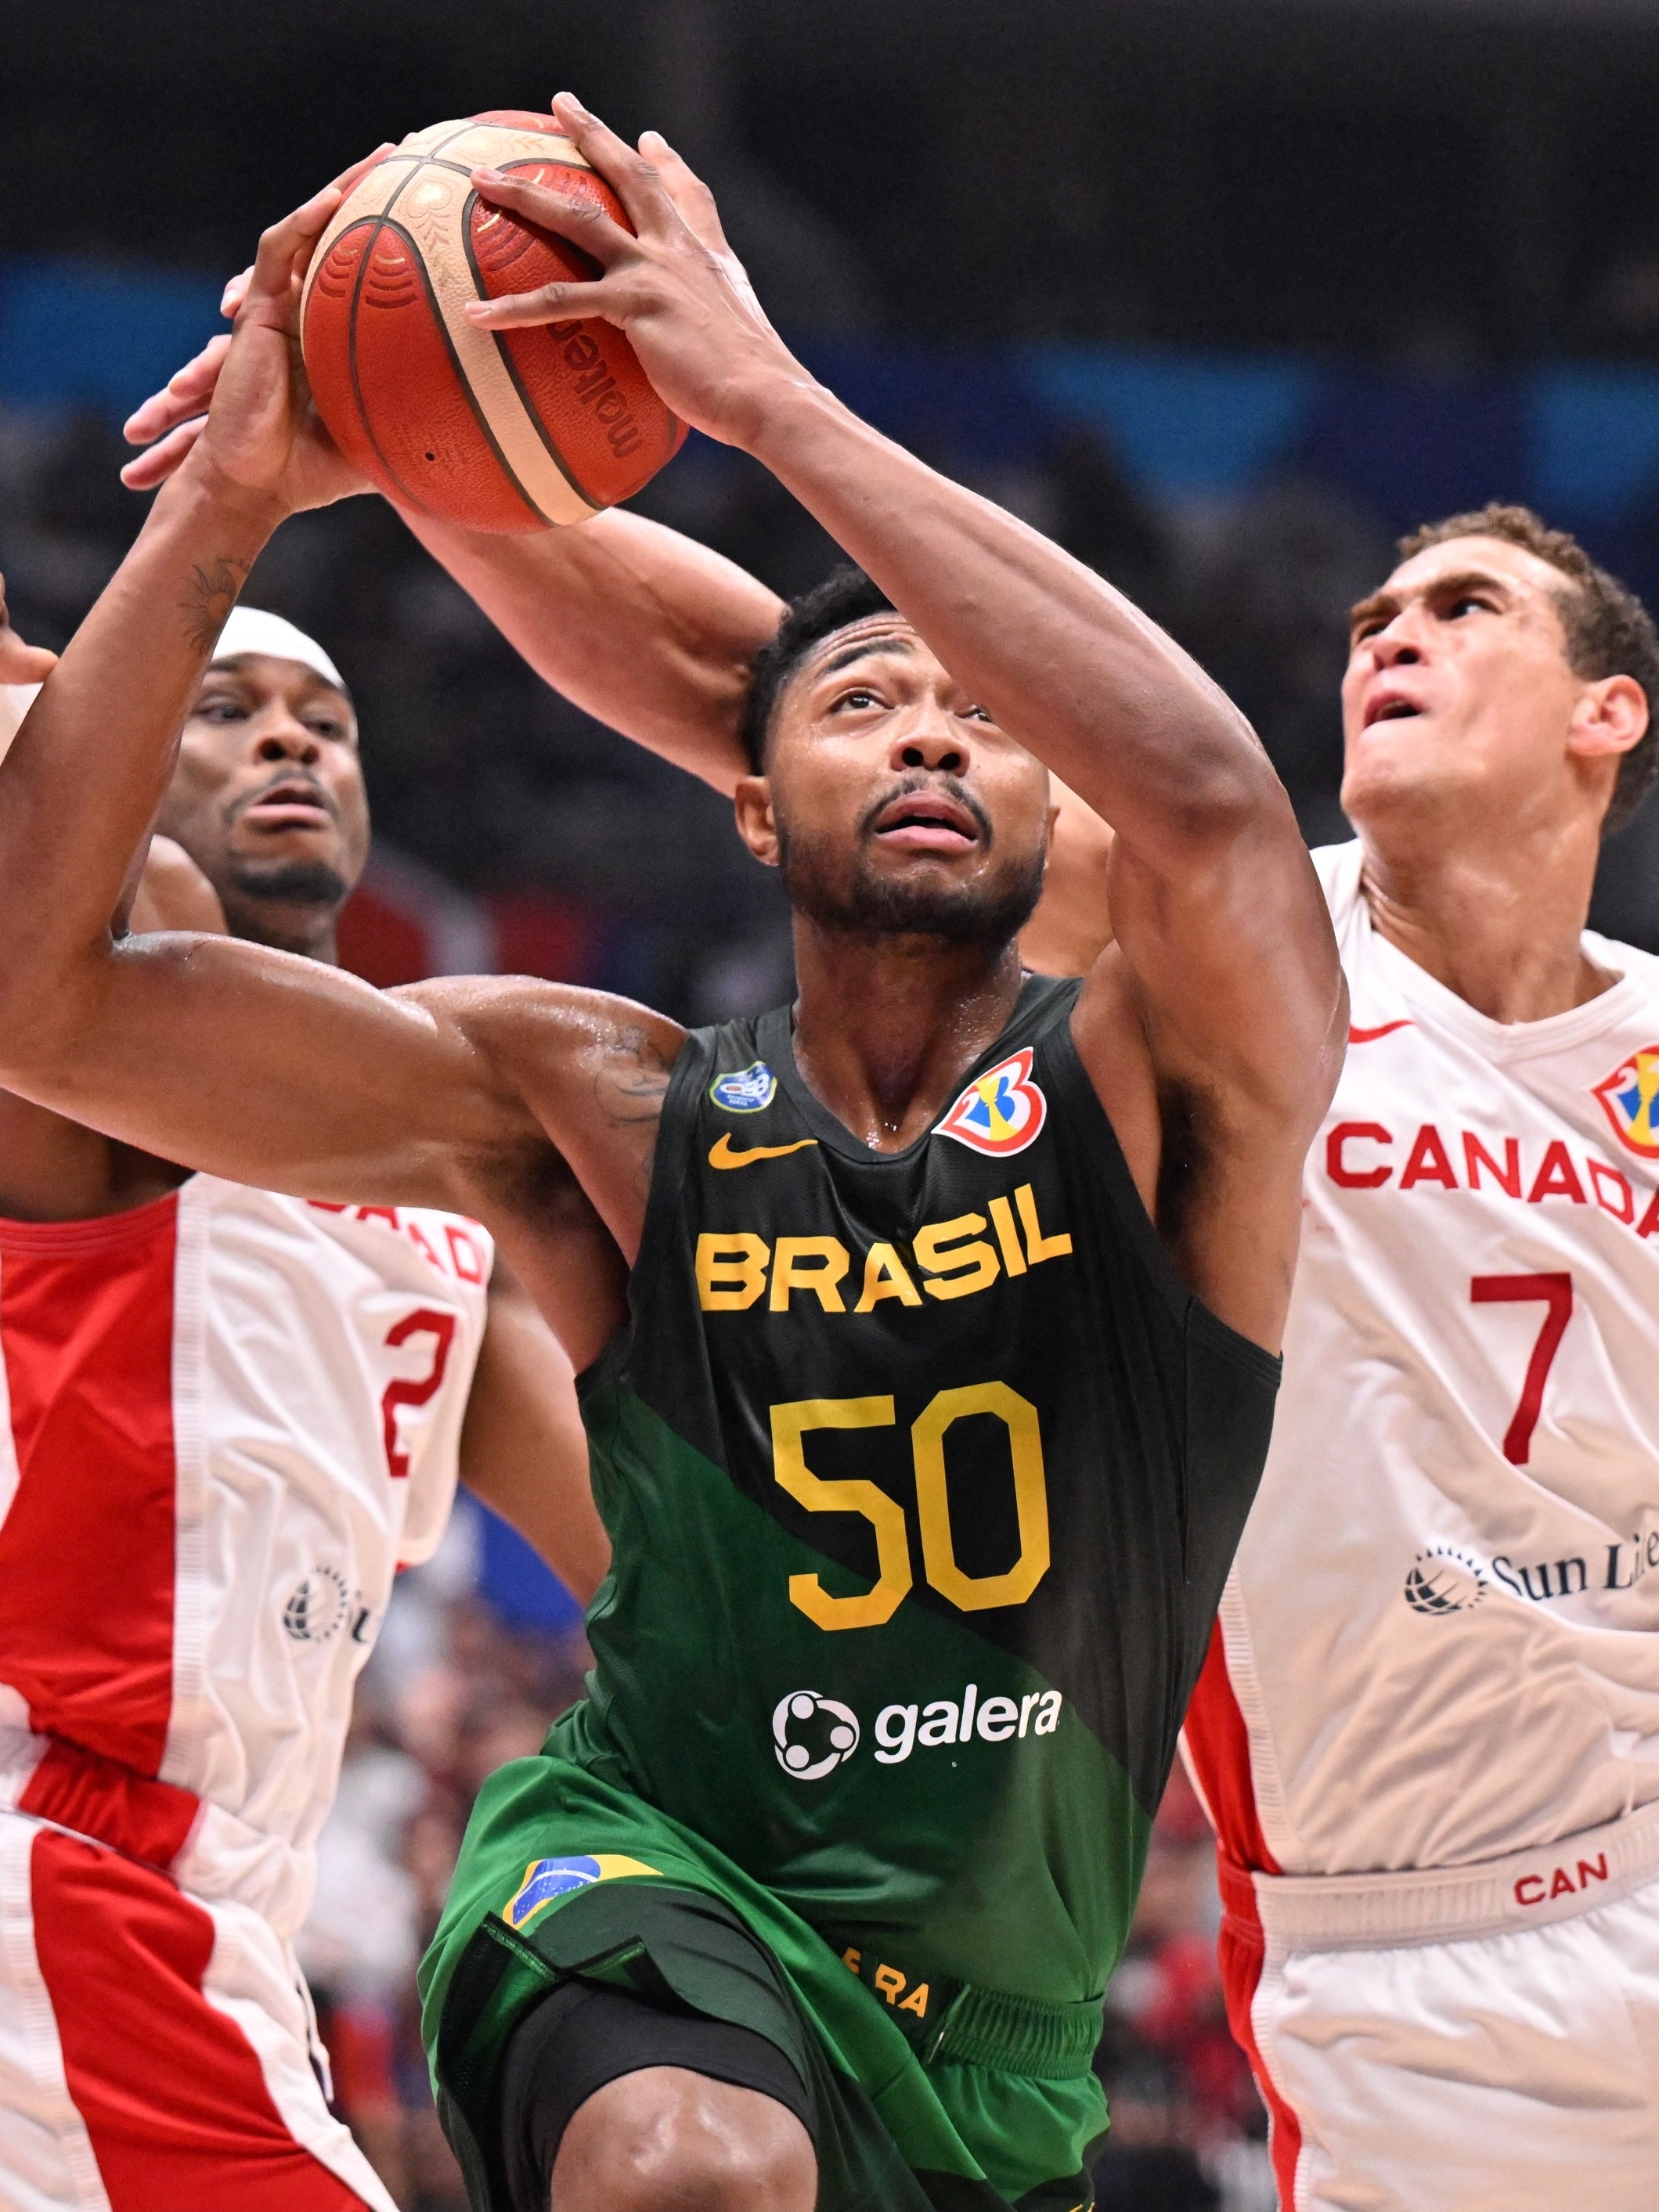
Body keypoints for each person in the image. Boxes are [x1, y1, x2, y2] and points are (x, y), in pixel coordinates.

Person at [12, 95, 1343, 2212]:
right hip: (646, 1878)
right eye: (858, 704)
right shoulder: (598, 1106)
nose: (926, 728)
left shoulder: (1178, 1093)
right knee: (696, 2169)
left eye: (977, 716)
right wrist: (236, 505)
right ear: (746, 802)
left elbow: (1212, 808)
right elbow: (51, 1009)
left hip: (992, 2040)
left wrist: (772, 406)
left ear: (1051, 817)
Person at [0, 575, 605, 2212]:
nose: (287, 736)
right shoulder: (85, 1065)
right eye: (225, 707)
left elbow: (647, 1563)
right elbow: (54, 898)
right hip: (66, 1852)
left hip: (213, 1909)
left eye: (325, 722)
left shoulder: (443, 1173)